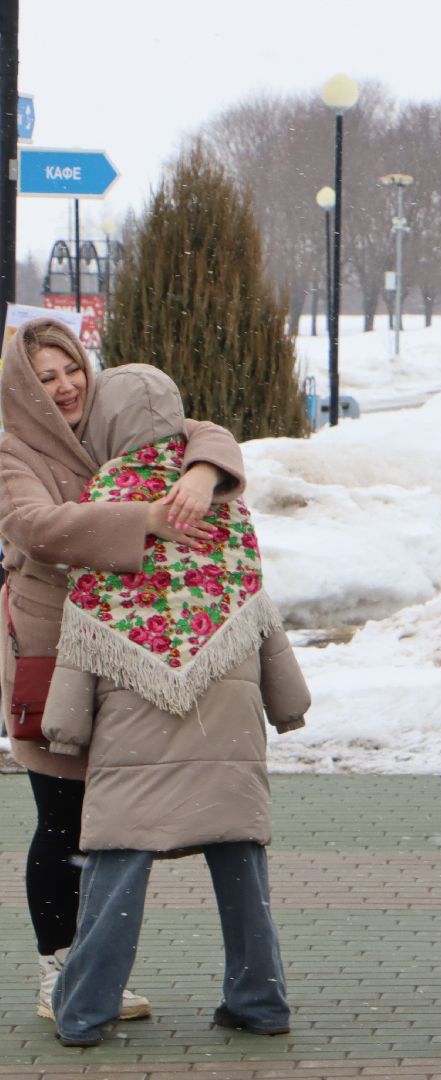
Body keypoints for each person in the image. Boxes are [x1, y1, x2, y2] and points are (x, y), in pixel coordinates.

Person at [38, 364, 309, 1047]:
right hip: (228, 723)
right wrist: (289, 700)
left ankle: (85, 1011)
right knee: (241, 861)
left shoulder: (110, 504)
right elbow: (258, 608)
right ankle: (259, 999)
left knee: (116, 866)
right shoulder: (225, 508)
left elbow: (85, 621)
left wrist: (64, 725)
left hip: (135, 729)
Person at [0, 320, 243, 1024]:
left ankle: (94, 972)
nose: (66, 386)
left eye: (71, 368)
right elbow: (37, 526)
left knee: (107, 820)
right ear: (24, 388)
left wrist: (198, 475)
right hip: (50, 647)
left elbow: (203, 431)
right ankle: (58, 971)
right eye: (46, 378)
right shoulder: (15, 450)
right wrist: (149, 518)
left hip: (121, 641)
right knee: (62, 816)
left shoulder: (109, 416)